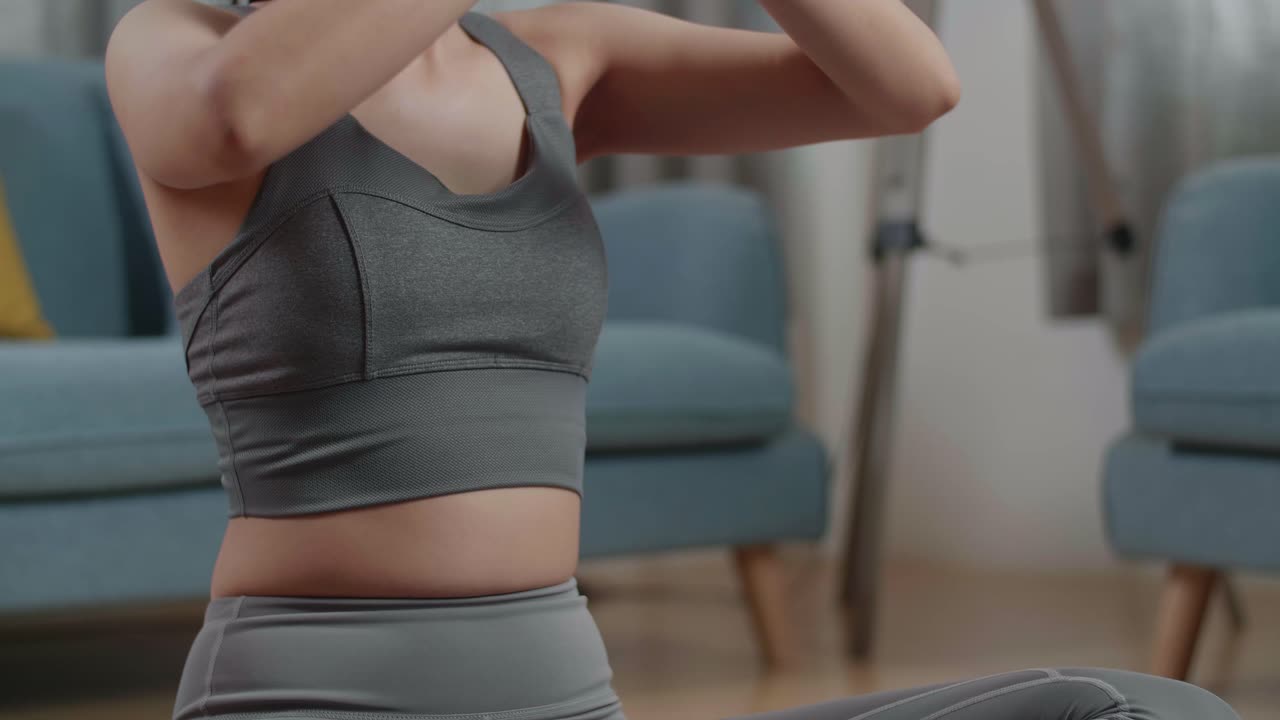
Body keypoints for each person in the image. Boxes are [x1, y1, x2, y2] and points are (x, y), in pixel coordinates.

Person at [103, 1, 1239, 719]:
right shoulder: (177, 43)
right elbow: (239, 115)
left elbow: (909, 87)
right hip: (307, 691)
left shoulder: (558, 57)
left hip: (566, 697)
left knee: (1138, 711)